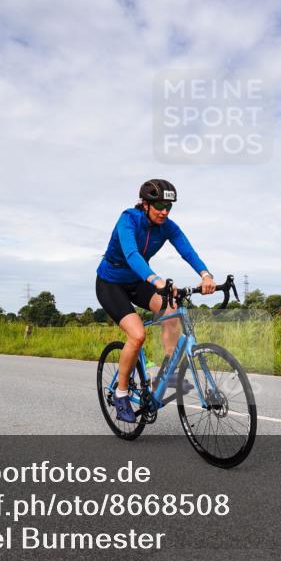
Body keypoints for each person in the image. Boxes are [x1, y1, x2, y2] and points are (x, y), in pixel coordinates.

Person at [95, 179, 215, 423]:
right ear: (145, 204)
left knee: (171, 310)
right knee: (137, 335)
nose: (164, 211)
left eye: (168, 207)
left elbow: (187, 251)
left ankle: (166, 375)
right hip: (111, 282)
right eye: (159, 205)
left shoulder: (167, 226)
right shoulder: (128, 220)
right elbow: (131, 254)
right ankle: (121, 392)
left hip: (139, 281)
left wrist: (205, 274)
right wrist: (156, 280)